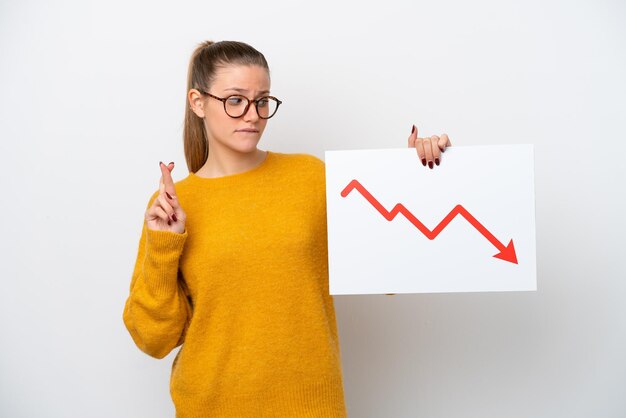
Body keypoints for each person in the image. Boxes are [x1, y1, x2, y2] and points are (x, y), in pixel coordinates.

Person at [122, 40, 451, 418]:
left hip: (311, 407)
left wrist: (419, 178)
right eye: (235, 100)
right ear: (198, 102)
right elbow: (153, 339)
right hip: (209, 406)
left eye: (262, 100)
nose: (252, 115)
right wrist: (165, 246)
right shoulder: (173, 206)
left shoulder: (310, 179)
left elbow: (389, 272)